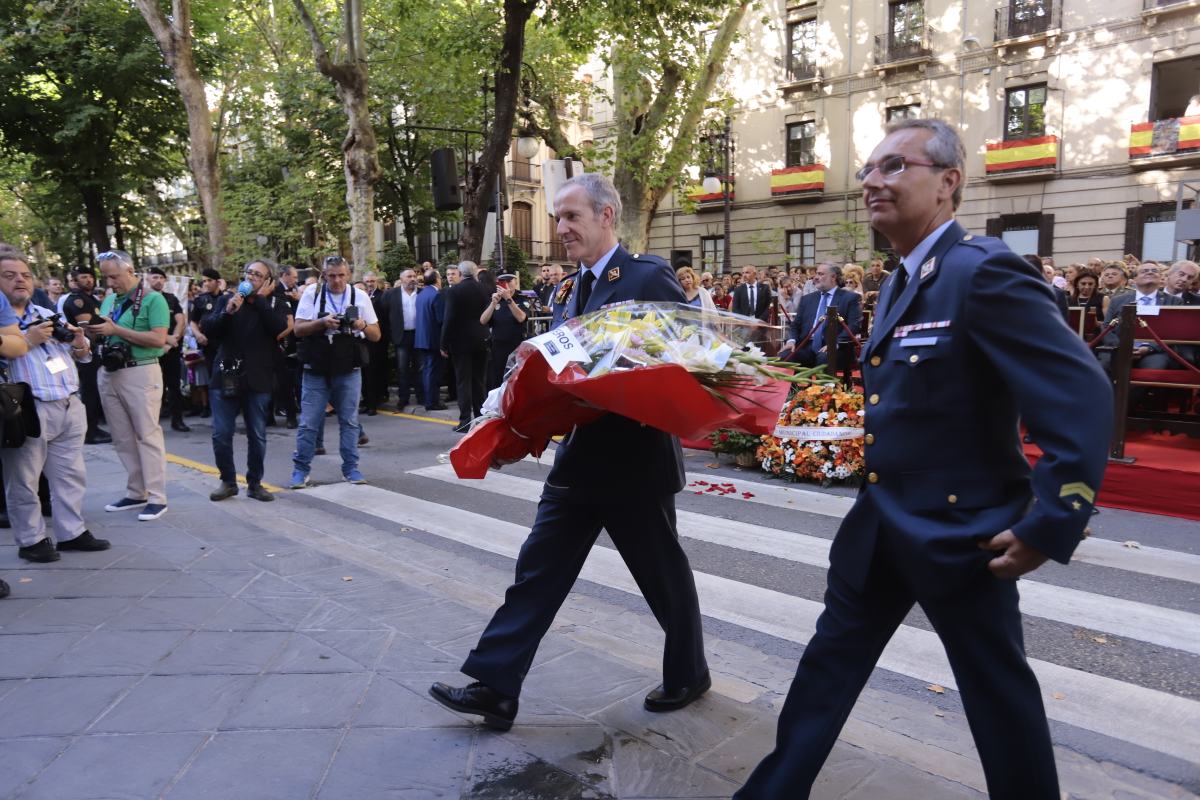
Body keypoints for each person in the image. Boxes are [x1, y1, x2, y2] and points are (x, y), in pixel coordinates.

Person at [737, 119, 1110, 800]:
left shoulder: (982, 270)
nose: (873, 180)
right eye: (869, 169)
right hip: (881, 524)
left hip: (959, 531)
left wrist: (1054, 517)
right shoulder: (906, 278)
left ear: (948, 183)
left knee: (997, 695)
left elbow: (1080, 394)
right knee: (826, 671)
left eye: (894, 166)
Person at [429, 173, 709, 732]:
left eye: (571, 217)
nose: (560, 229)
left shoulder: (646, 275)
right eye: (557, 218)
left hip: (634, 460)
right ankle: (496, 687)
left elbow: (688, 350)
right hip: (580, 459)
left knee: (663, 576)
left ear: (608, 216)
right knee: (538, 570)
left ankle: (689, 672)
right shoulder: (572, 288)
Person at [0, 248, 107, 564]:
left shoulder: (47, 314)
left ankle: (71, 533)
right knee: (23, 480)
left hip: (68, 404)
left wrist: (79, 342)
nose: (20, 280)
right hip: (27, 409)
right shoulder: (6, 324)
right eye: (9, 275)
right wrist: (28, 338)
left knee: (70, 475)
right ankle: (31, 540)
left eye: (25, 275)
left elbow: (84, 357)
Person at [89, 250, 171, 522]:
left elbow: (159, 340)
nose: (110, 282)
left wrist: (117, 331)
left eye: (114, 276)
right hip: (110, 371)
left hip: (141, 371)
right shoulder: (110, 300)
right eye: (106, 277)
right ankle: (136, 492)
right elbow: (104, 331)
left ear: (130, 270)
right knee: (122, 437)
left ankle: (157, 497)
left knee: (147, 435)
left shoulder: (153, 299)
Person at [290, 255, 381, 488]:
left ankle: (351, 469)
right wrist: (322, 323)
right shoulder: (312, 294)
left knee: (349, 421)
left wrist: (361, 325)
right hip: (316, 368)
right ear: (323, 275)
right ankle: (301, 470)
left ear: (348, 275)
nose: (337, 281)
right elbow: (298, 329)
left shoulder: (359, 296)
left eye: (341, 275)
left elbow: (376, 335)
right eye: (332, 276)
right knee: (309, 422)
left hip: (348, 367)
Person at [201, 259, 288, 502]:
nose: (251, 278)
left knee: (257, 433)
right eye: (249, 273)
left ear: (267, 281)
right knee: (221, 433)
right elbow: (209, 329)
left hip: (258, 377)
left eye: (258, 275)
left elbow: (279, 328)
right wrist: (228, 311)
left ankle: (255, 483)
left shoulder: (272, 302)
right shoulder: (226, 299)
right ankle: (228, 481)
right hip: (226, 374)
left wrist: (258, 301)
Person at [60, 267, 111, 444]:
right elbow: (86, 328)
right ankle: (90, 431)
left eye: (90, 276)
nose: (89, 280)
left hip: (94, 350)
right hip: (85, 352)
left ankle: (95, 427)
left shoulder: (90, 298)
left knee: (94, 390)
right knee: (89, 391)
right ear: (75, 280)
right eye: (83, 277)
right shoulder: (77, 300)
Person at [440, 260, 490, 432]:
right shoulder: (484, 289)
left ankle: (465, 421)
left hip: (460, 342)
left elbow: (449, 319)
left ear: (460, 274)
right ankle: (481, 418)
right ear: (475, 273)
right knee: (478, 381)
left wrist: (443, 343)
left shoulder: (454, 291)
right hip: (481, 339)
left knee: (463, 382)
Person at [781, 263, 863, 368]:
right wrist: (791, 341)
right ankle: (794, 385)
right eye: (816, 274)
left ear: (833, 277)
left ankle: (827, 385)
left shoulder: (850, 298)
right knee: (785, 355)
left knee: (824, 357)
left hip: (836, 346)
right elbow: (795, 325)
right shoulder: (807, 299)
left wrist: (835, 343)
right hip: (807, 345)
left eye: (820, 274)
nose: (815, 277)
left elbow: (854, 326)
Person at [146, 268, 190, 433]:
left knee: (174, 386)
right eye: (154, 277)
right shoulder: (142, 299)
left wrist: (171, 342)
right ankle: (152, 423)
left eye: (161, 277)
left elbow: (180, 321)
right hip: (151, 349)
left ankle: (177, 420)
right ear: (148, 279)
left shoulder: (171, 299)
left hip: (171, 349)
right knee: (153, 387)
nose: (158, 280)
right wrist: (163, 340)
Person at [381, 268, 423, 409]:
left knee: (420, 367)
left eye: (414, 276)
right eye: (409, 276)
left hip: (419, 335)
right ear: (402, 279)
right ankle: (403, 398)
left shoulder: (422, 293)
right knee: (402, 368)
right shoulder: (391, 294)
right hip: (401, 336)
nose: (412, 278)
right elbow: (384, 316)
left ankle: (421, 395)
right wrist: (391, 335)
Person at [480, 272, 529, 390]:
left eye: (509, 281)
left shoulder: (522, 298)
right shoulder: (495, 298)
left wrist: (509, 299)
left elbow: (521, 317)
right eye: (502, 282)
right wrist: (493, 304)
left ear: (515, 282)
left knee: (517, 378)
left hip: (516, 344)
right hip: (498, 346)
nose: (506, 284)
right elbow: (483, 320)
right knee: (497, 378)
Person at [188, 268, 223, 418]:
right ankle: (214, 409)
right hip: (208, 345)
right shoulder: (200, 300)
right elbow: (193, 322)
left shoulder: (227, 298)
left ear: (218, 282)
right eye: (204, 281)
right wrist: (197, 334)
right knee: (212, 378)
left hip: (225, 345)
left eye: (209, 280)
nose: (206, 283)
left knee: (227, 377)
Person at [273, 265, 301, 428]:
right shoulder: (276, 292)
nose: (296, 281)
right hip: (275, 340)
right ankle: (271, 414)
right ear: (284, 275)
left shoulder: (290, 294)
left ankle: (291, 414)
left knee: (286, 380)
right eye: (294, 277)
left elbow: (292, 320)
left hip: (287, 340)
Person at [415, 267, 447, 410]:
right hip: (433, 339)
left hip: (422, 338)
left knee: (428, 370)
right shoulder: (437, 295)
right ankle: (432, 402)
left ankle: (429, 400)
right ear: (437, 280)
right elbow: (441, 319)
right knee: (433, 371)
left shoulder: (421, 294)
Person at [360, 271, 389, 415]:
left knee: (373, 373)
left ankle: (373, 403)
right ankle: (366, 401)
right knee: (364, 373)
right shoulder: (360, 297)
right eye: (367, 281)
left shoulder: (382, 296)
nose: (370, 284)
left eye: (372, 281)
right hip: (361, 340)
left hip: (376, 340)